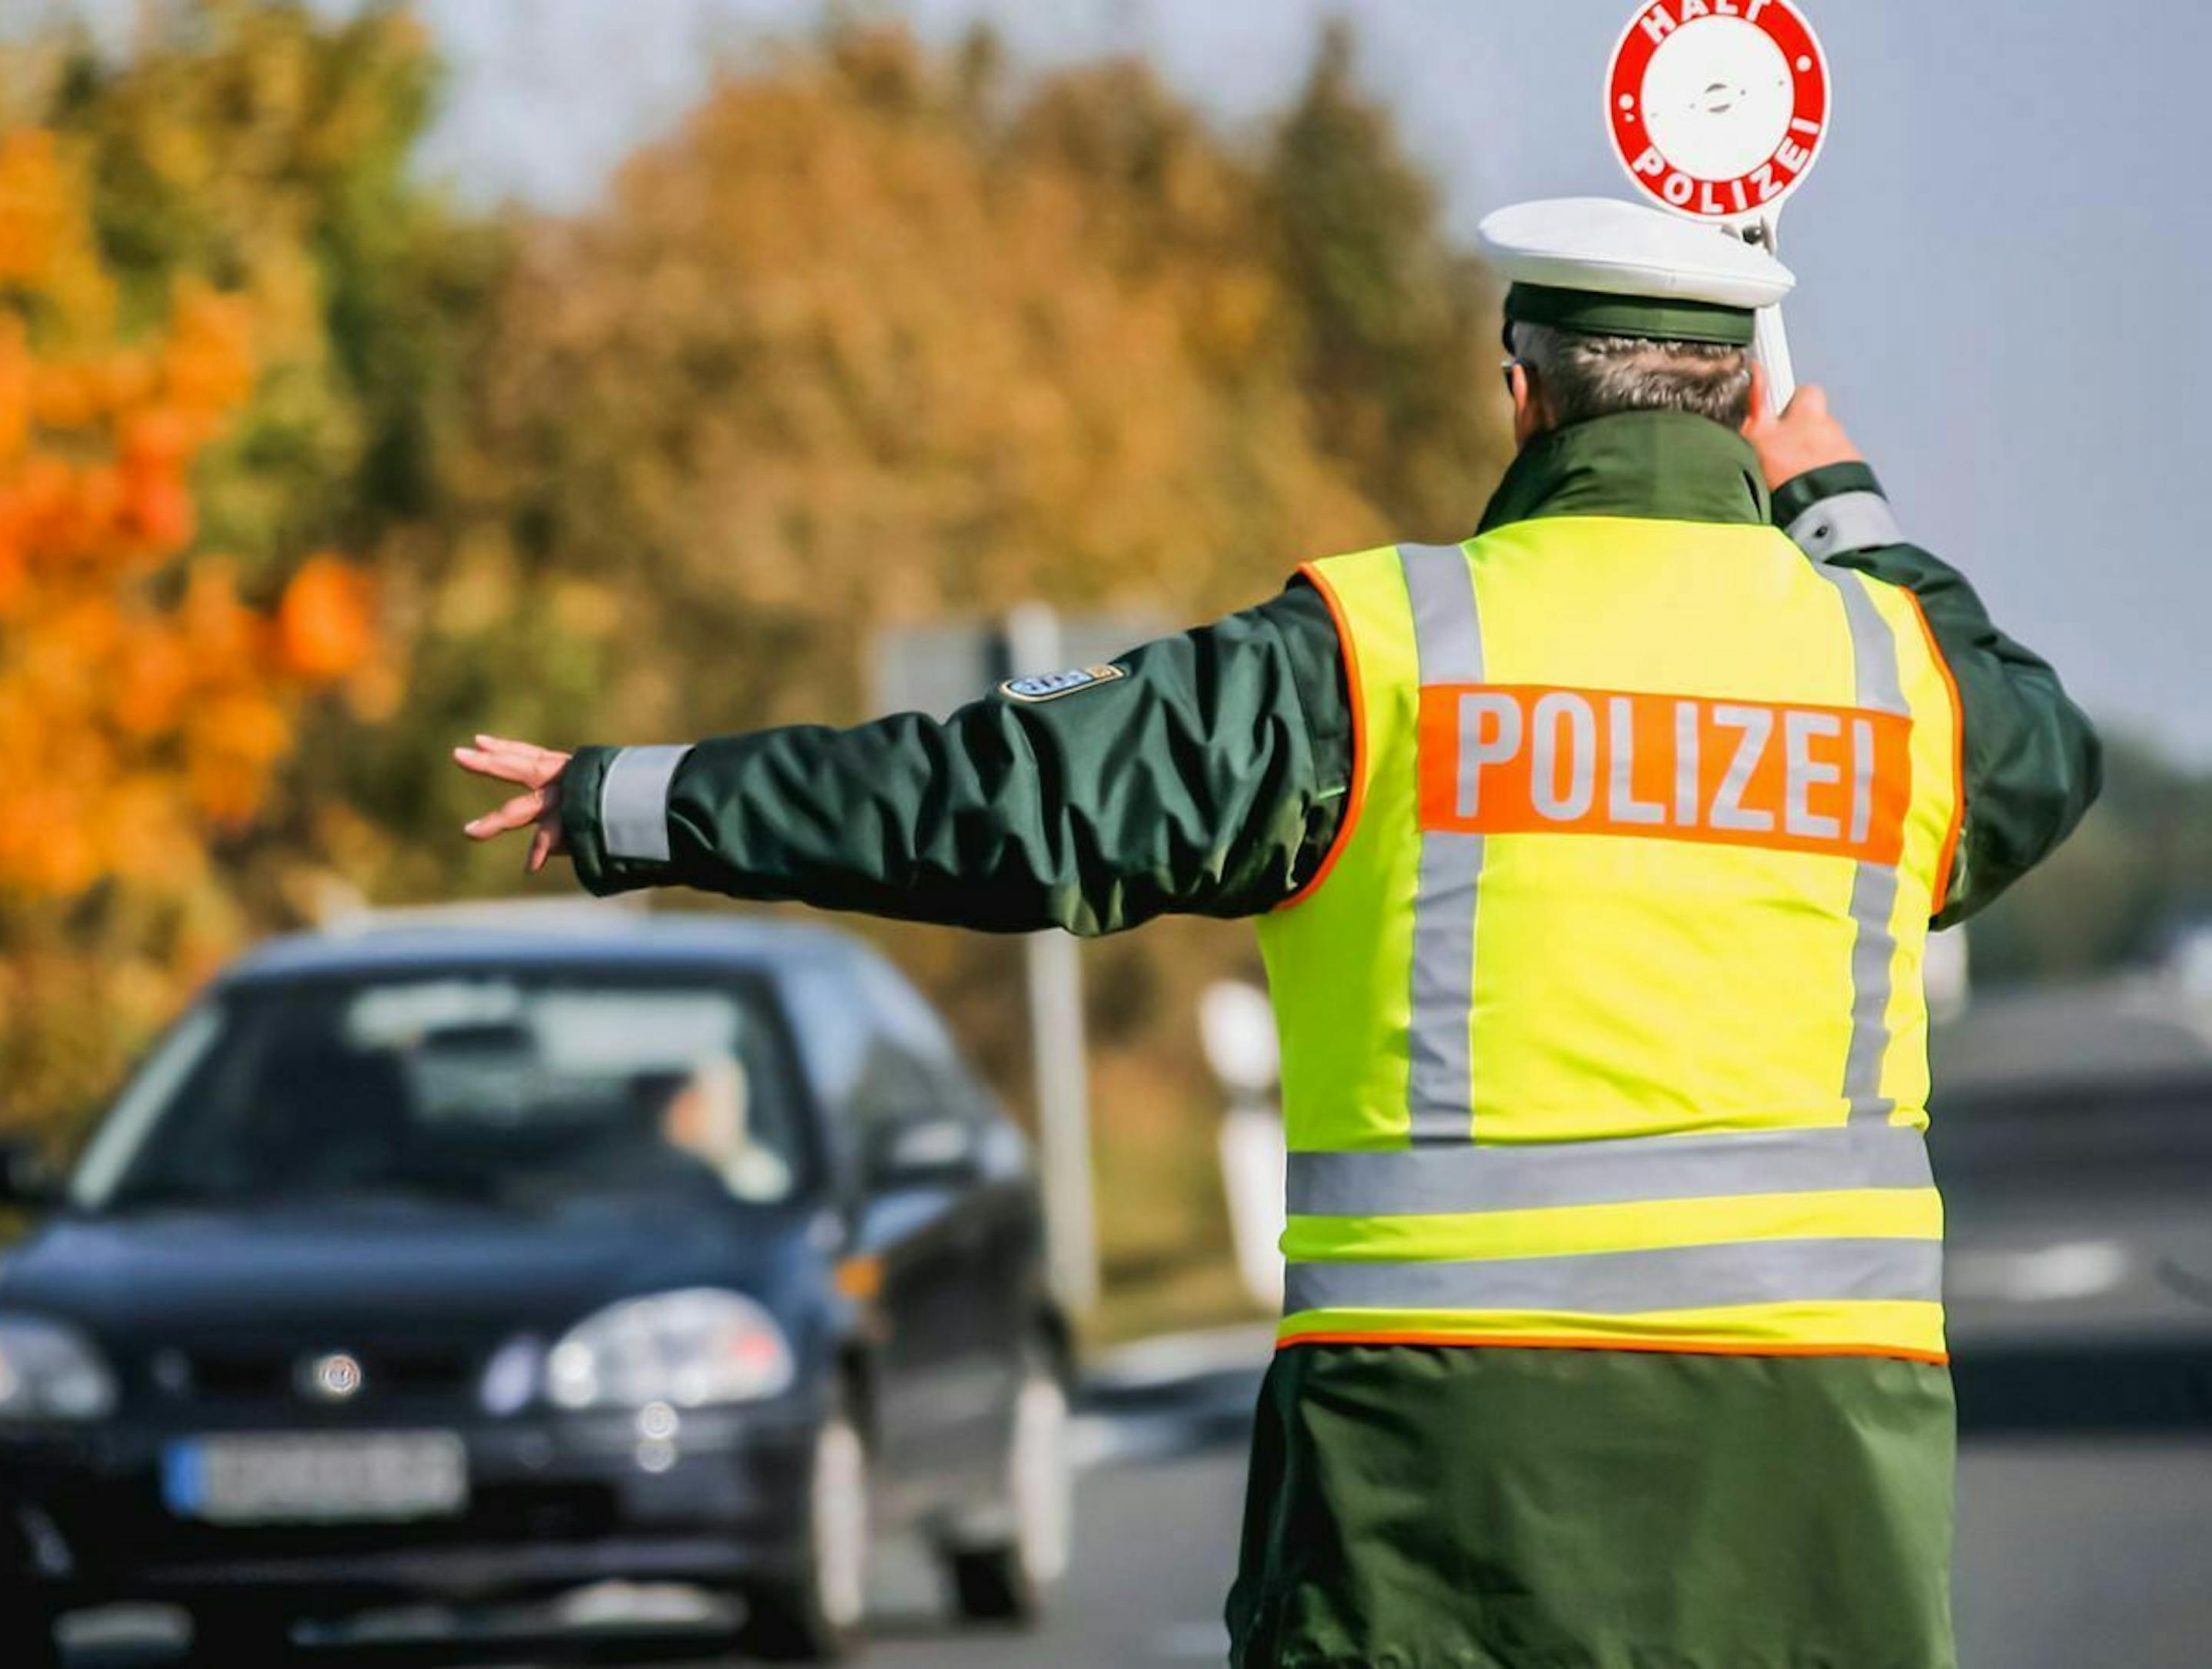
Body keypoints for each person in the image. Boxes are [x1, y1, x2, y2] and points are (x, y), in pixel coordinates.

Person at [452, 196, 2100, 1667]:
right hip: (1814, 1465)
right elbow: (2042, 746)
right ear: (1746, 408)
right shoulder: (1895, 677)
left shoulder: (1375, 654)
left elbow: (1007, 792)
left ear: (1518, 393)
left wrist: (643, 801)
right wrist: (1842, 505)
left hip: (1439, 1459)